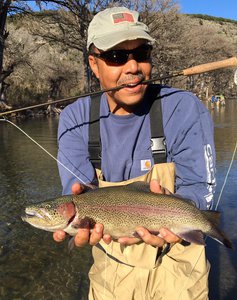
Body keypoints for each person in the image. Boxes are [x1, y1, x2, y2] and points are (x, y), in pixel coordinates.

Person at [53, 6, 216, 300]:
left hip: (179, 263)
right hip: (112, 270)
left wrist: (178, 215)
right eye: (116, 57)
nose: (132, 67)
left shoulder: (184, 108)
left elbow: (199, 189)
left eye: (141, 54)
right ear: (94, 63)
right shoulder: (74, 120)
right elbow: (76, 193)